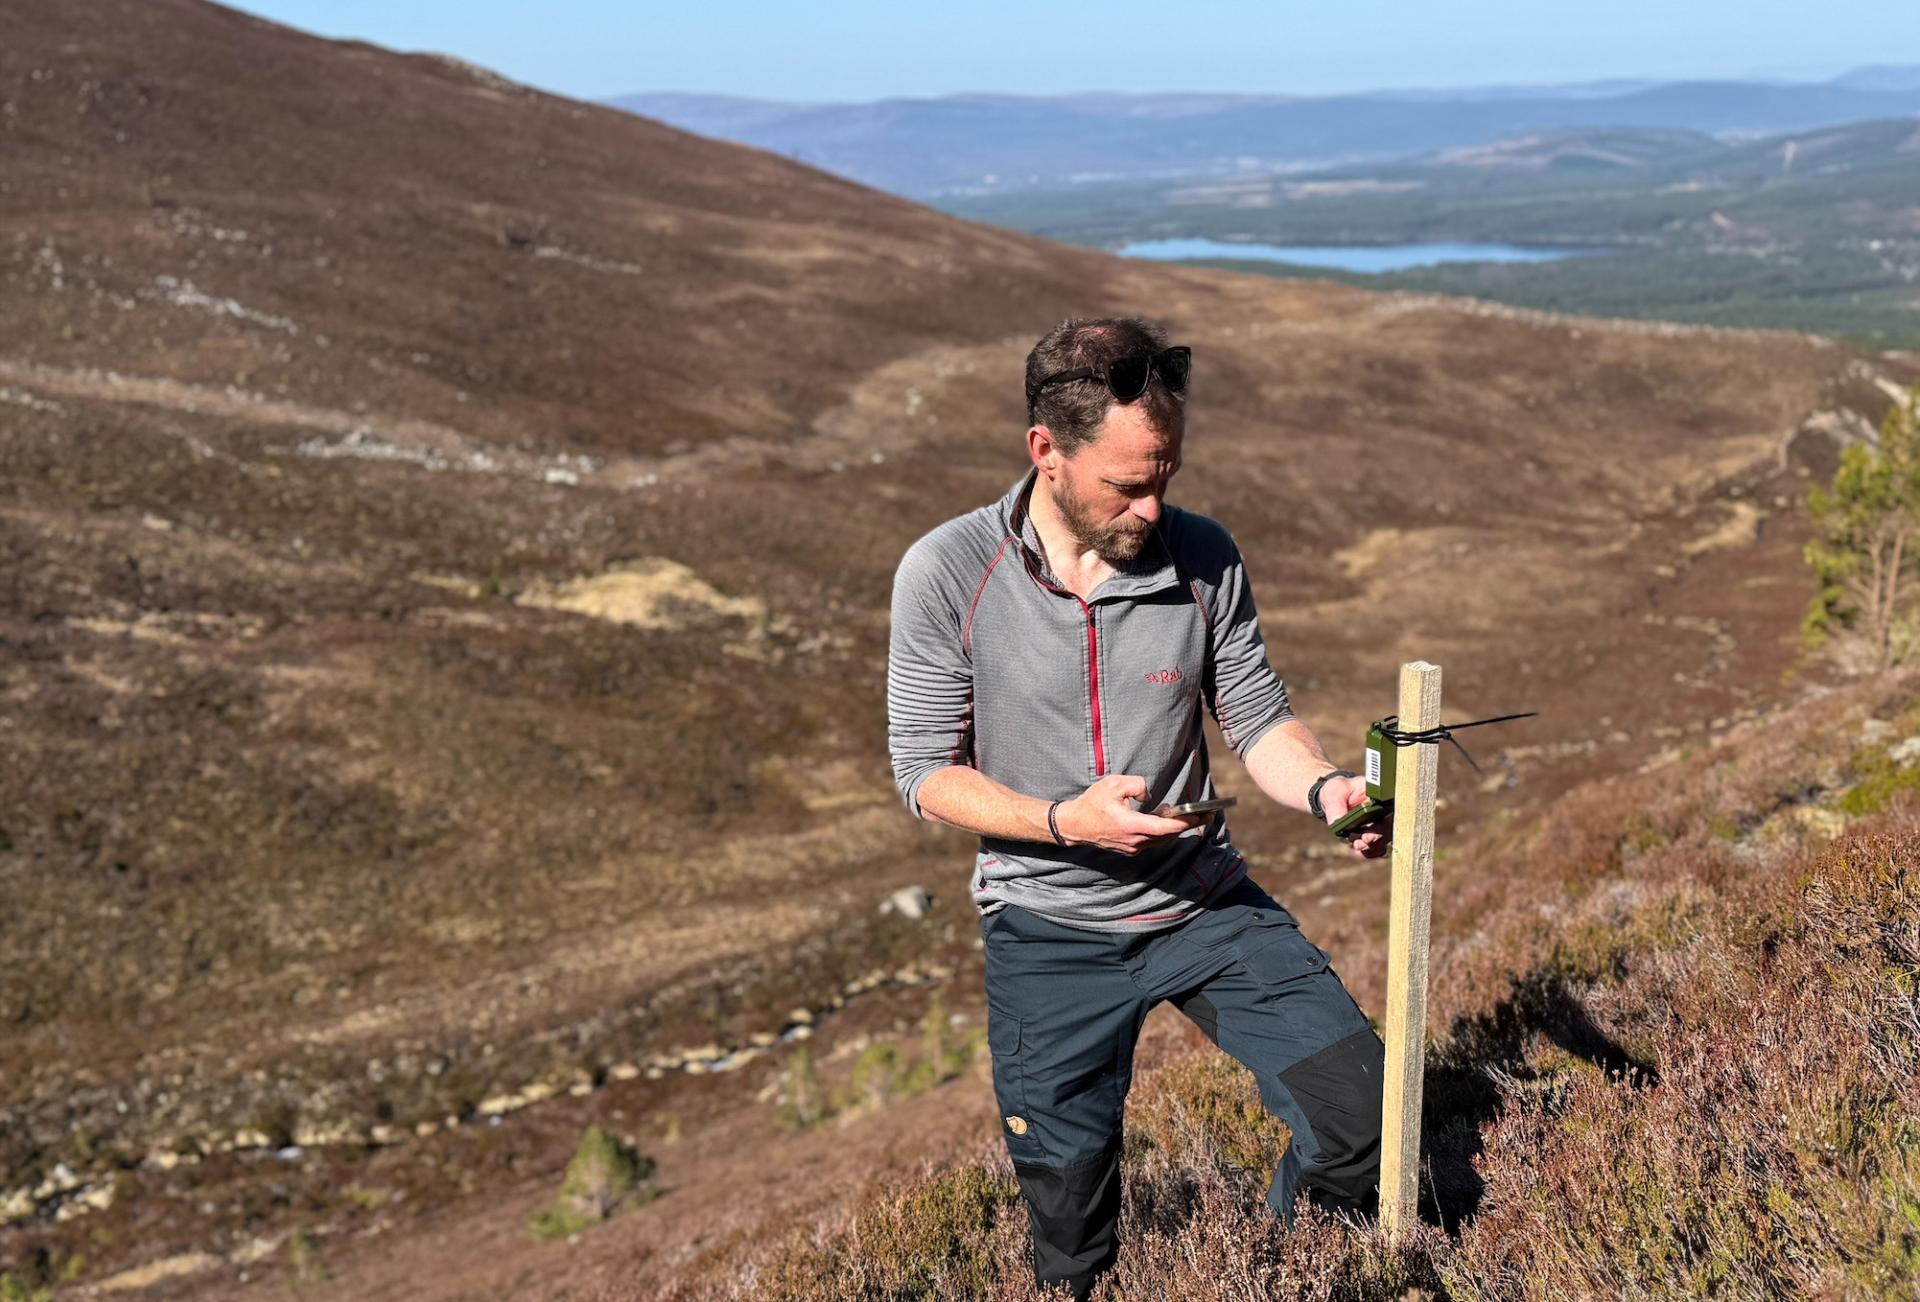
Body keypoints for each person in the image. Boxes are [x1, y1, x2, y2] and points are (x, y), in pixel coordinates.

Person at [885, 315, 1393, 1299]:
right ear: (1047, 452)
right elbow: (925, 775)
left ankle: (1278, 1272)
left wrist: (1329, 789)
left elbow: (1259, 720)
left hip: (1206, 906)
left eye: (1167, 474)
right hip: (1048, 932)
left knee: (1367, 1124)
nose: (1157, 506)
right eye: (1129, 482)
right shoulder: (948, 572)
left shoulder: (1203, 556)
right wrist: (1068, 821)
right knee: (1072, 1241)